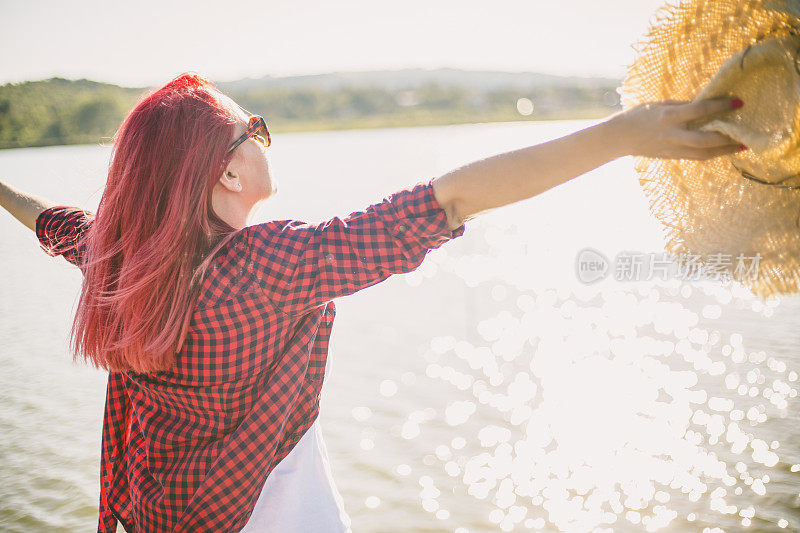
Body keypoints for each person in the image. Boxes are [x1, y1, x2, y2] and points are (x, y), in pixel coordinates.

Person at [0, 73, 743, 532]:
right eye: (252, 128)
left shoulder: (119, 255)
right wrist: (622, 134)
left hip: (151, 512)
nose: (265, 138)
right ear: (226, 173)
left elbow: (46, 218)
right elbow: (446, 199)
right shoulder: (269, 265)